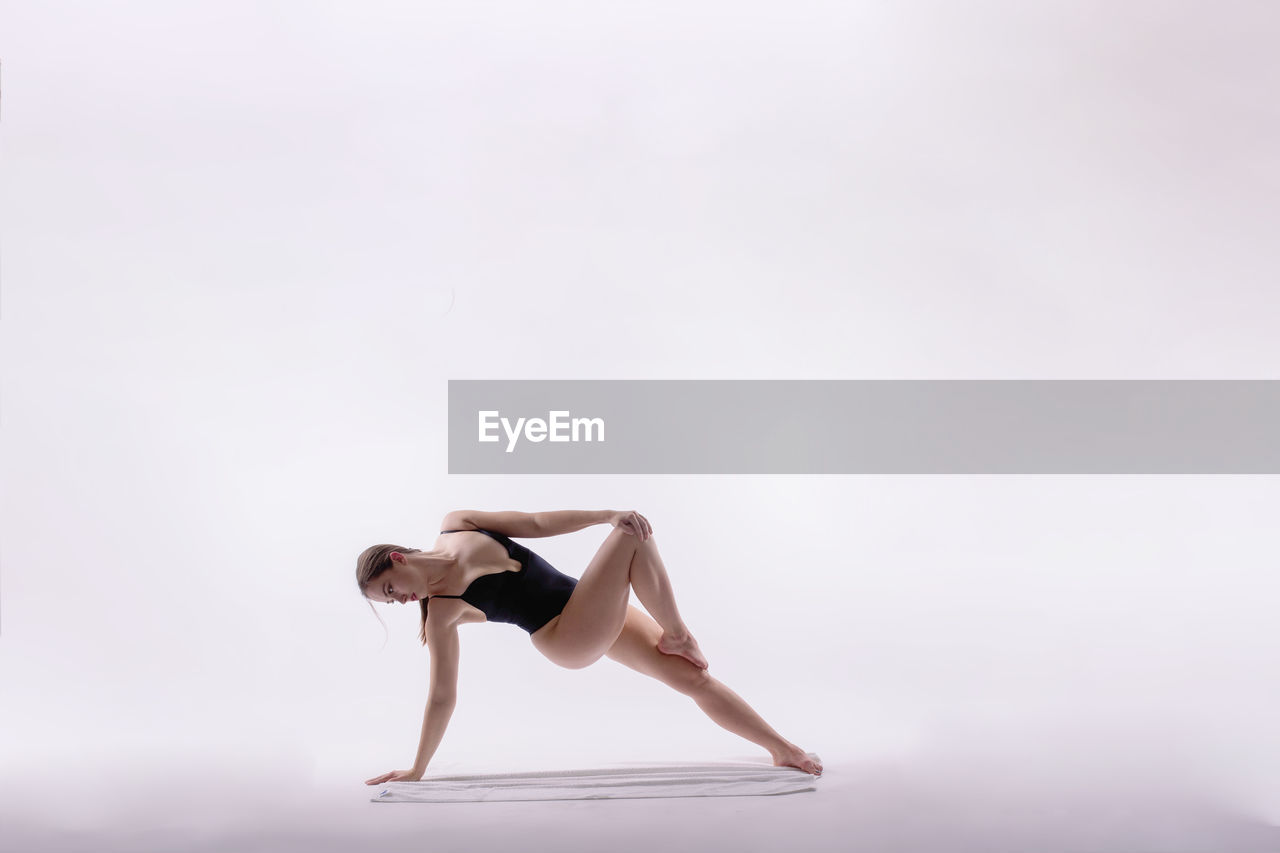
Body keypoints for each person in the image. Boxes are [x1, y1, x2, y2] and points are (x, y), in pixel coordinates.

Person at [356, 509, 823, 784]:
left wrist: (604, 512)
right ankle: (677, 631)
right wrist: (417, 769)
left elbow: (536, 522)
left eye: (391, 589)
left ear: (397, 559)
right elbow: (442, 695)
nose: (400, 601)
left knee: (693, 680)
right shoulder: (442, 611)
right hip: (565, 637)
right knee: (629, 534)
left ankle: (781, 748)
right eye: (390, 601)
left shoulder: (459, 524)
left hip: (586, 603)